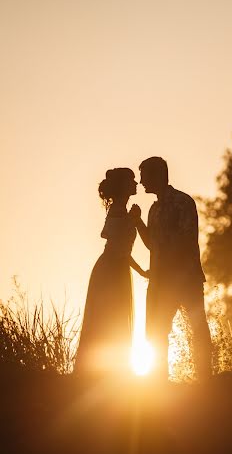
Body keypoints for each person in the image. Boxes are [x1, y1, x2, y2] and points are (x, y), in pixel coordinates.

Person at [131, 157, 212, 381]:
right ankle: (159, 382)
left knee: (197, 328)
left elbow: (186, 240)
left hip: (185, 278)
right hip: (160, 281)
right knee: (156, 332)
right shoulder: (154, 209)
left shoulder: (182, 202)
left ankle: (205, 379)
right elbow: (151, 245)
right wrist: (138, 223)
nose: (141, 181)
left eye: (144, 176)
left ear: (158, 175)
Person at [75, 168, 148, 373]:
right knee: (110, 318)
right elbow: (117, 248)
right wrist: (142, 271)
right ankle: (105, 373)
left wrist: (133, 219)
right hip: (111, 270)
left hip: (115, 268)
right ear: (124, 186)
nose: (136, 183)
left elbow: (118, 246)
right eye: (132, 180)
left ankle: (110, 373)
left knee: (112, 318)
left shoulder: (121, 211)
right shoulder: (118, 210)